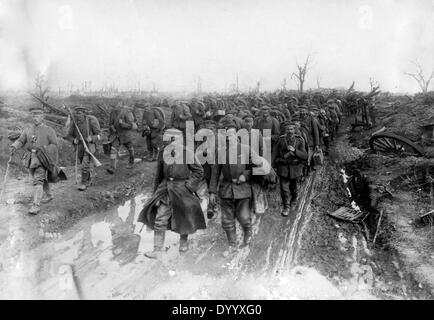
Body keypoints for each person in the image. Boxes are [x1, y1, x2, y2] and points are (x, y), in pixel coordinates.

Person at [137, 129, 206, 259]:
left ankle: (183, 243)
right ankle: (158, 250)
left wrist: (189, 186)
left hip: (182, 188)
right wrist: (155, 193)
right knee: (160, 217)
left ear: (180, 139)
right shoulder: (163, 153)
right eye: (169, 139)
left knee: (184, 216)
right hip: (166, 188)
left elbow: (199, 171)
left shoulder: (187, 153)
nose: (171, 141)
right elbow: (159, 175)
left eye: (174, 139)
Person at [208, 118, 263, 253]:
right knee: (227, 220)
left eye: (232, 134)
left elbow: (257, 165)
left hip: (243, 189)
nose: (229, 137)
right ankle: (232, 245)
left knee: (244, 217)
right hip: (226, 189)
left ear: (236, 136)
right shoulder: (221, 151)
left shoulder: (246, 149)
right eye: (227, 135)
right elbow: (215, 173)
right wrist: (212, 192)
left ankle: (247, 238)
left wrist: (246, 174)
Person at [10, 106, 58, 214]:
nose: (35, 117)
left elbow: (54, 145)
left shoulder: (49, 130)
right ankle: (50, 195)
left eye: (37, 115)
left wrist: (43, 149)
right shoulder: (28, 129)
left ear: (42, 117)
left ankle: (36, 205)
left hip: (42, 159)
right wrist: (14, 146)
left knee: (38, 180)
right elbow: (21, 141)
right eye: (33, 115)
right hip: (30, 159)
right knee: (38, 179)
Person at [272, 122, 308, 216]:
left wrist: (295, 151)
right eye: (287, 129)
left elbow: (305, 156)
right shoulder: (280, 140)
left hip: (295, 168)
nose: (289, 131)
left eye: (291, 129)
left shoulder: (300, 140)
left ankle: (294, 199)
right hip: (283, 167)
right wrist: (272, 166)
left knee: (294, 188)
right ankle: (286, 206)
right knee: (284, 189)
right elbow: (274, 153)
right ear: (284, 130)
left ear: (295, 130)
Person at [65, 105, 101, 191]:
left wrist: (92, 138)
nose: (78, 115)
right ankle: (88, 180)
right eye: (76, 113)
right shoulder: (74, 123)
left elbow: (99, 135)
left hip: (89, 146)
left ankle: (84, 182)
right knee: (83, 164)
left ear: (84, 113)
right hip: (79, 147)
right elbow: (69, 136)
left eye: (80, 113)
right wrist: (74, 140)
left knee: (85, 164)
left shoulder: (90, 121)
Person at [109, 104, 138, 172]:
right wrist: (112, 128)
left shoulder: (127, 112)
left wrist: (123, 124)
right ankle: (112, 167)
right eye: (116, 105)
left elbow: (131, 125)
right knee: (113, 151)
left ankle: (131, 162)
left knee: (130, 149)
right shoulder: (112, 112)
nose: (117, 106)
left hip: (125, 135)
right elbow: (110, 124)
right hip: (116, 135)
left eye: (119, 104)